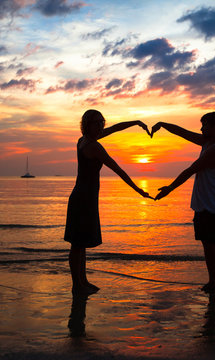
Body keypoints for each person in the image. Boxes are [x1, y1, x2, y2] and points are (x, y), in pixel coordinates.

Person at [65, 109, 152, 294]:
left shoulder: (85, 140)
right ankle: (77, 285)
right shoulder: (92, 146)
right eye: (96, 123)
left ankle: (83, 281)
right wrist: (137, 189)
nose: (101, 126)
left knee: (82, 243)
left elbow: (115, 129)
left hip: (85, 197)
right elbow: (117, 169)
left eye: (101, 122)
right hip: (83, 198)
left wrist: (135, 122)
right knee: (77, 244)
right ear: (87, 124)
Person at [153, 112, 215, 295]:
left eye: (204, 125)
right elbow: (183, 133)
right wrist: (163, 124)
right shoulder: (206, 142)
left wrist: (169, 189)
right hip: (203, 204)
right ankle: (213, 282)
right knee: (207, 243)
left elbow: (190, 170)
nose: (201, 128)